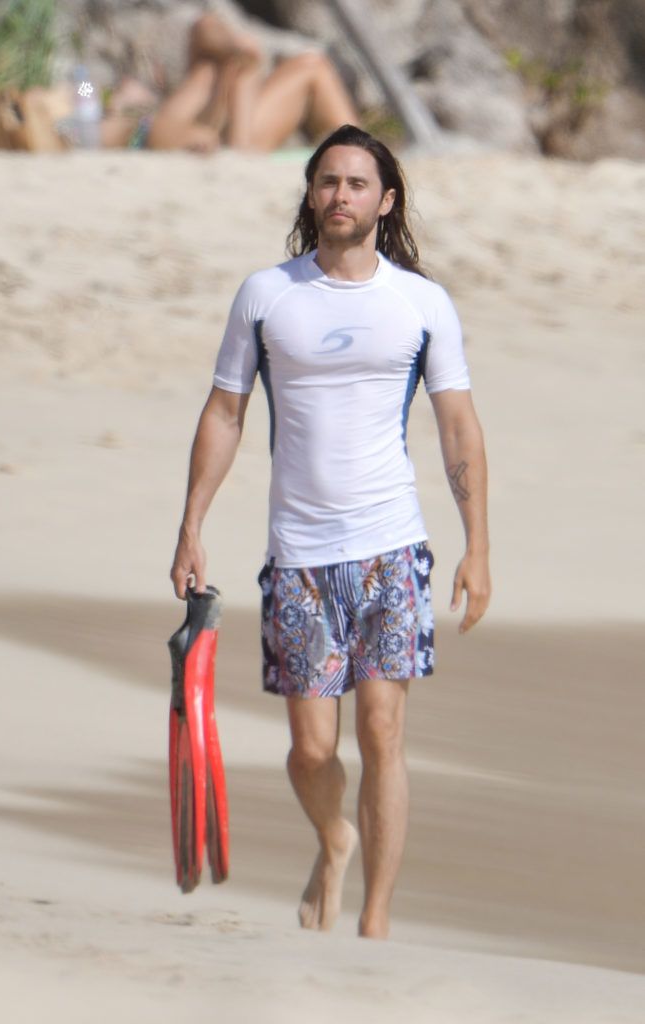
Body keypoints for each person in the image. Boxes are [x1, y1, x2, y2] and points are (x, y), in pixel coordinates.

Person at [170, 124, 491, 939]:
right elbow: (225, 411)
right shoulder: (268, 294)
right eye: (327, 182)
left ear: (386, 202)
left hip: (391, 548)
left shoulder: (420, 303)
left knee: (383, 732)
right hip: (300, 558)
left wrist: (475, 546)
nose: (339, 195)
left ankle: (374, 925)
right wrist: (191, 527)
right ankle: (333, 835)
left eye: (356, 184)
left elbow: (457, 427)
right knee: (312, 752)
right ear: (310, 195)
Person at [99, 12, 359, 152]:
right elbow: (84, 92)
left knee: (310, 64)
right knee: (236, 65)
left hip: (212, 121)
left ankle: (360, 150)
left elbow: (206, 27)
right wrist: (113, 100)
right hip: (208, 135)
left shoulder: (207, 65)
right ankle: (361, 150)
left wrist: (237, 50)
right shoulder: (113, 89)